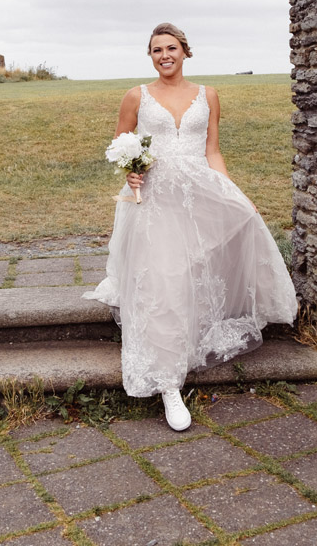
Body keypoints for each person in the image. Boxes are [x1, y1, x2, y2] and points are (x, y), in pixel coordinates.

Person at [83, 22, 298, 431]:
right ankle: (168, 384)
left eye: (171, 48)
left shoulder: (208, 95)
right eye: (156, 50)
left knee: (196, 268)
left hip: (200, 193)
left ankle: (198, 332)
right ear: (150, 56)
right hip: (155, 199)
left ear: (185, 51)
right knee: (164, 279)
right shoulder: (136, 96)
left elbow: (212, 151)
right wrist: (130, 170)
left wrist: (235, 194)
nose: (164, 55)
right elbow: (120, 145)